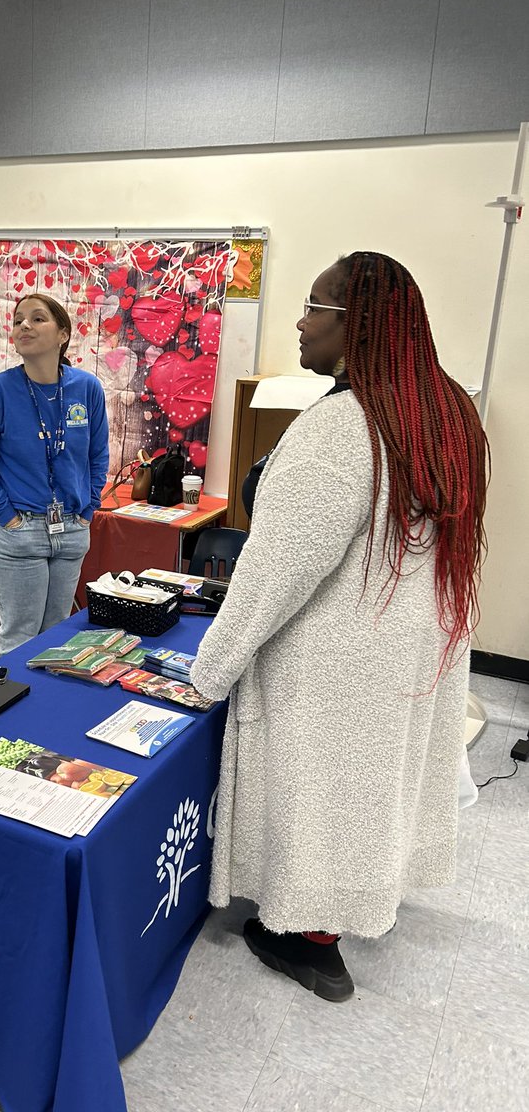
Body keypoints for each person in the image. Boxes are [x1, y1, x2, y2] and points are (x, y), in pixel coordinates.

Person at [190, 252, 487, 1001]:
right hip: (408, 648)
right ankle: (346, 908)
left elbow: (274, 572)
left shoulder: (341, 427)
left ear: (358, 325)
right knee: (370, 793)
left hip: (337, 661)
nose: (300, 322)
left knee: (323, 799)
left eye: (314, 307)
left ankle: (306, 937)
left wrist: (210, 671)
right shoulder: (444, 412)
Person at [0, 293, 110, 654]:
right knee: (21, 639)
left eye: (38, 318)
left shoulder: (86, 388)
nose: (24, 325)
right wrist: (8, 518)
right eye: (18, 320)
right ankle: (14, 694)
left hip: (71, 529)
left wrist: (88, 509)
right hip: (19, 532)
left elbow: (97, 456)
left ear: (63, 334)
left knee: (56, 636)